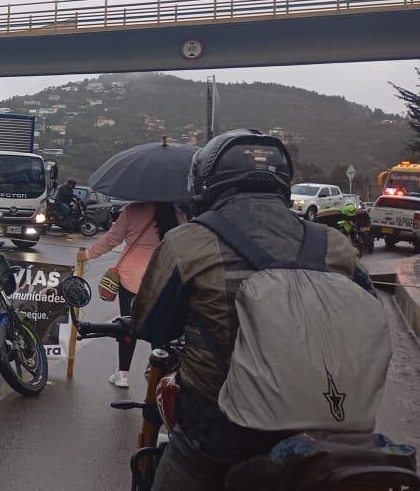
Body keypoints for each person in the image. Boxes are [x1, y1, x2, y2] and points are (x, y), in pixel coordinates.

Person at [134, 130, 377, 490]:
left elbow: (152, 325)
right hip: (324, 423)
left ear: (207, 184)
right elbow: (367, 313)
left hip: (218, 430)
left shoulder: (188, 242)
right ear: (284, 183)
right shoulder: (334, 244)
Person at [77, 201, 185, 388]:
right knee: (160, 327)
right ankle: (158, 373)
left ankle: (123, 374)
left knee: (128, 326)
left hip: (130, 279)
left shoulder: (132, 211)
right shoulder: (178, 215)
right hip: (161, 278)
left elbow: (111, 239)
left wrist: (87, 254)